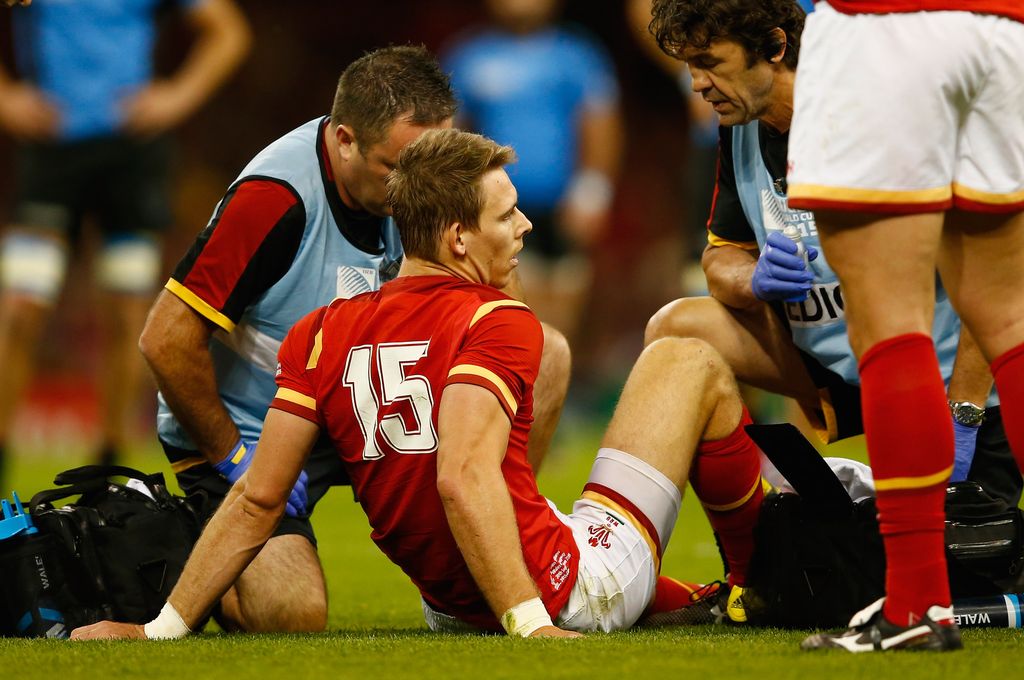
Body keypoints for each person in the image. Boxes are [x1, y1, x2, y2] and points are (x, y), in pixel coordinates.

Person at [70, 127, 768, 640]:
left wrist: (160, 628)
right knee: (688, 357)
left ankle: (684, 597)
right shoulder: (501, 321)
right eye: (506, 214)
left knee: (529, 483)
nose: (524, 225)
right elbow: (462, 477)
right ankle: (754, 586)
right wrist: (530, 623)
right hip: (556, 592)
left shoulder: (321, 329)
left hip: (451, 602)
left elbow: (256, 496)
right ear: (460, 239)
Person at [137, 47, 570, 634]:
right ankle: (169, 548)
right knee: (290, 614)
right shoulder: (275, 199)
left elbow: (503, 318)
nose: (413, 188)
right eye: (397, 168)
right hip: (253, 434)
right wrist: (232, 458)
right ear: (345, 140)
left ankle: (494, 554)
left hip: (369, 410)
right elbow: (164, 338)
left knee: (546, 353)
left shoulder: (420, 185)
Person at [645, 0, 1020, 631]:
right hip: (838, 373)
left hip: (955, 387)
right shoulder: (740, 123)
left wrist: (965, 411)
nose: (696, 83)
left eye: (708, 62)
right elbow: (719, 259)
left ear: (774, 45)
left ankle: (926, 607)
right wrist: (751, 279)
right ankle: (747, 575)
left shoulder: (862, 89)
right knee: (678, 329)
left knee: (935, 318)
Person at [783, 0, 1024, 653]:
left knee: (889, 323)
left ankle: (917, 605)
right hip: (1004, 28)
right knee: (1011, 321)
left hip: (881, 27)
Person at [0, 0, 251, 486]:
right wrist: (6, 97)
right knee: (20, 312)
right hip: (52, 153)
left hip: (130, 155)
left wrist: (176, 97)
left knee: (126, 313)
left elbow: (228, 30)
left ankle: (106, 467)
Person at [443, 0, 624, 342]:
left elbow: (600, 123)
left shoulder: (576, 55)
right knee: (515, 309)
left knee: (564, 313)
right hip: (497, 209)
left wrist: (593, 192)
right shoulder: (468, 57)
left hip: (563, 206)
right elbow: (450, 132)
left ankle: (558, 390)